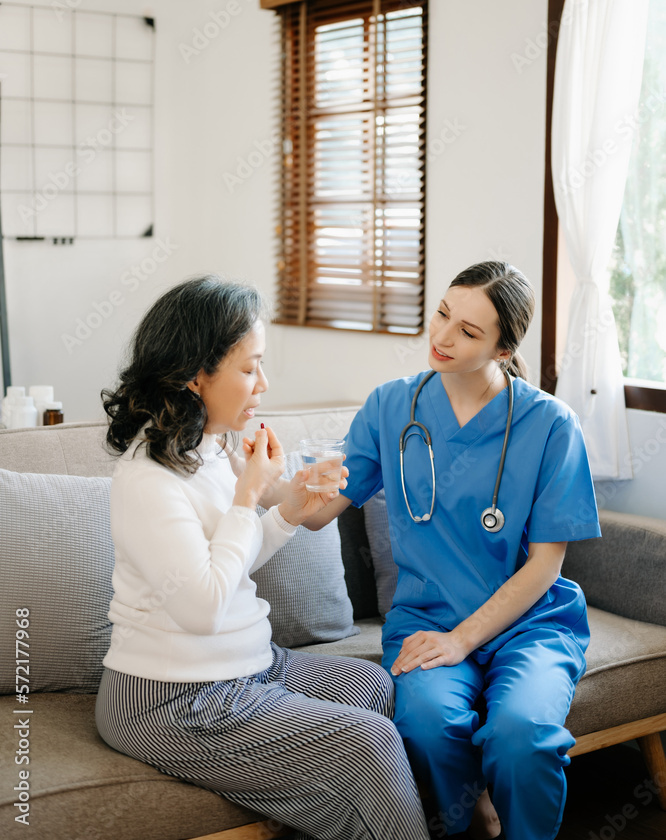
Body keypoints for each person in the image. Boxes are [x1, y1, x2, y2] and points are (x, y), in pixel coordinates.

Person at [95, 276, 430, 840]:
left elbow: (229, 566)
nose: (263, 383)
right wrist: (249, 495)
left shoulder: (204, 447)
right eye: (249, 368)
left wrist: (290, 509)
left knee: (383, 688)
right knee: (368, 745)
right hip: (172, 701)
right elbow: (201, 607)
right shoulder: (146, 478)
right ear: (193, 375)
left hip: (251, 667)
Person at [304, 261, 601, 840]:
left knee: (521, 736)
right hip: (426, 615)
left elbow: (546, 562)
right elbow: (318, 513)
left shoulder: (550, 425)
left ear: (505, 347)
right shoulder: (392, 408)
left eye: (468, 332)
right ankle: (473, 820)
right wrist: (257, 482)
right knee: (426, 724)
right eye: (443, 313)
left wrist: (463, 640)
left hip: (530, 623)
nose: (441, 338)